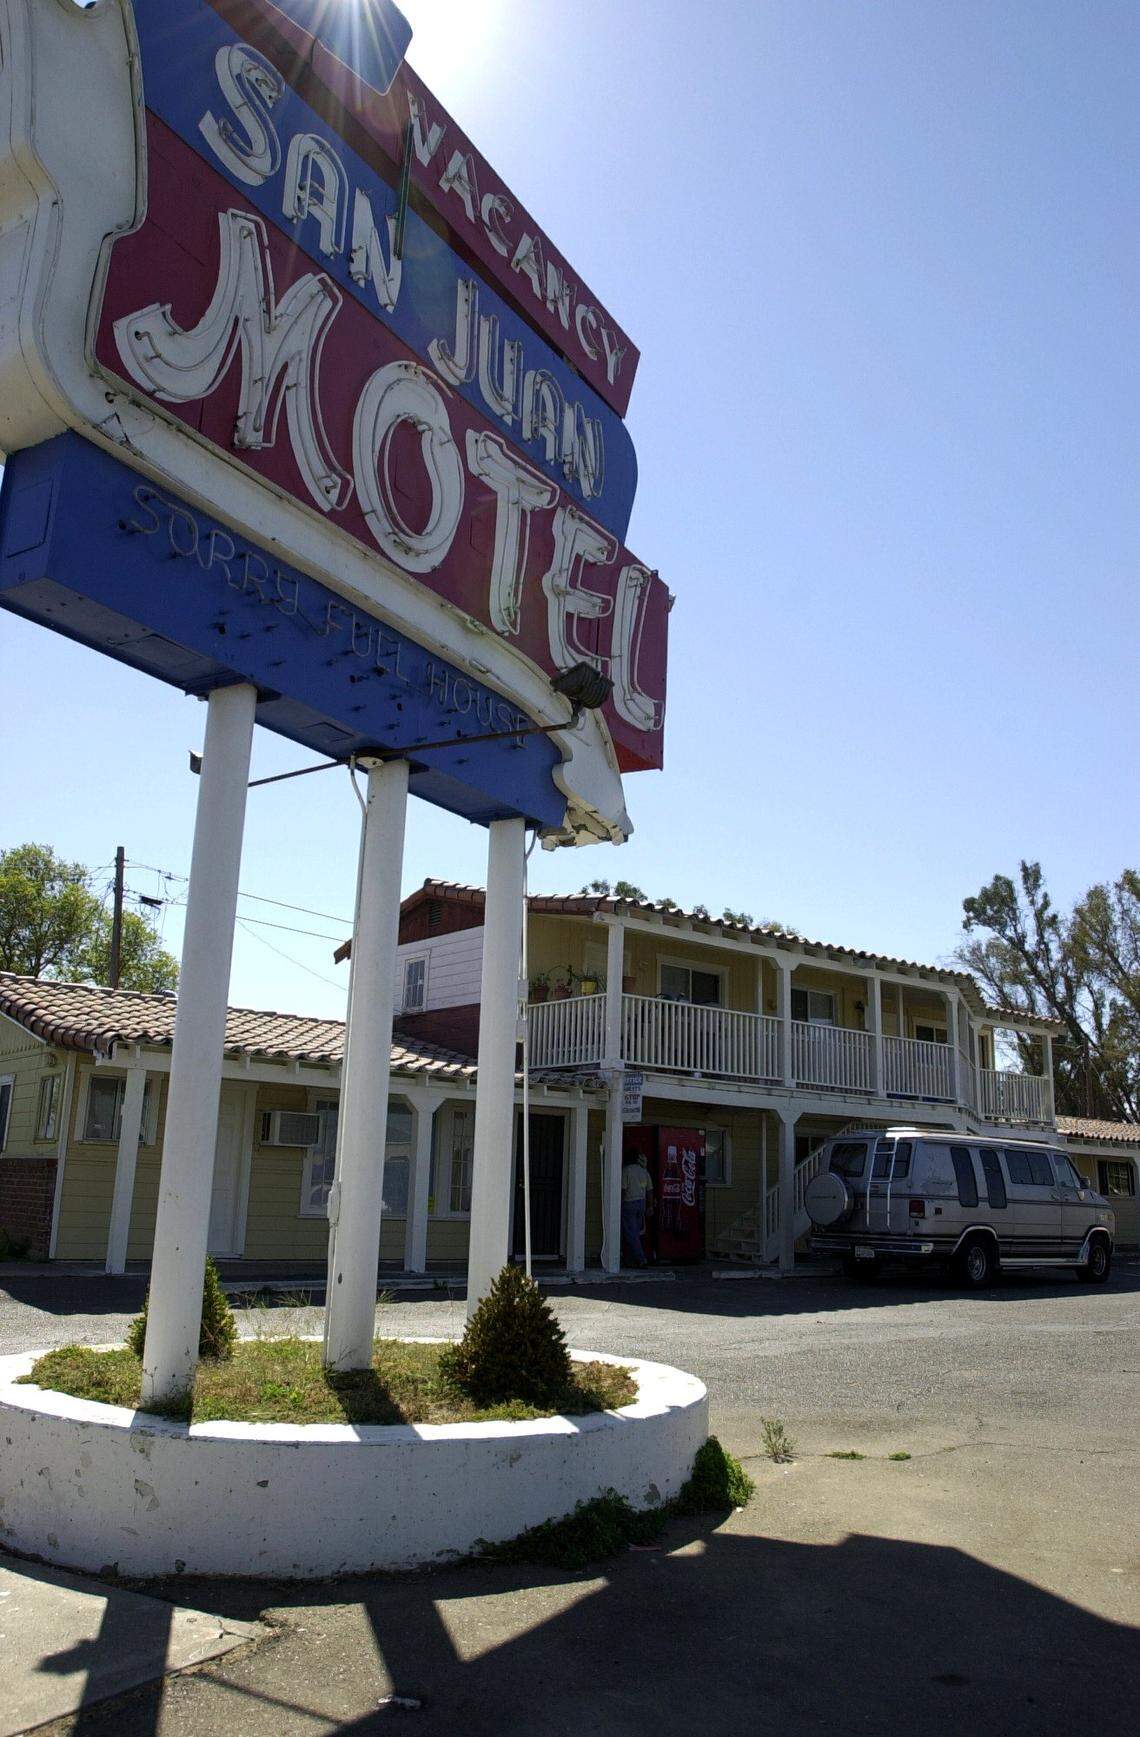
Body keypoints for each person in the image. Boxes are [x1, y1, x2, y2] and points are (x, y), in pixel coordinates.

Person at [620, 1151, 654, 1267]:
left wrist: (620, 1204)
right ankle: (630, 1260)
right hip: (642, 1203)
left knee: (631, 1234)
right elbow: (649, 1190)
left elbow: (623, 1189)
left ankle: (641, 1258)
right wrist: (650, 1206)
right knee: (636, 1233)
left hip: (629, 1203)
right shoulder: (644, 1171)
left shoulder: (626, 1170)